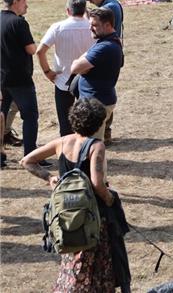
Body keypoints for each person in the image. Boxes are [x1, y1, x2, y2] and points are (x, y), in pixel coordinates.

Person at [21, 97, 129, 293]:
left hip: (68, 213)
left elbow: (27, 161)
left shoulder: (62, 142)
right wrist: (110, 199)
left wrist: (50, 178)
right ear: (98, 122)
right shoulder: (96, 146)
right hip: (92, 214)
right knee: (92, 264)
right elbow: (97, 183)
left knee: (73, 259)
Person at [36, 0, 93, 136]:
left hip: (63, 81)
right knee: (88, 121)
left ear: (68, 10)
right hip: (87, 79)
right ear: (85, 9)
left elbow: (40, 51)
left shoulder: (58, 27)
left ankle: (67, 154)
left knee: (65, 123)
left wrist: (47, 71)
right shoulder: (93, 26)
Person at [71, 8, 123, 144]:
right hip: (94, 102)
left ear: (107, 25)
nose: (90, 28)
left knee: (91, 145)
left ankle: (93, 165)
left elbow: (75, 68)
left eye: (94, 25)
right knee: (87, 143)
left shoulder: (105, 47)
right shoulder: (105, 42)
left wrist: (82, 64)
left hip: (97, 105)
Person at [1, 0, 40, 156]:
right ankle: (31, 155)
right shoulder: (19, 23)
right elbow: (31, 49)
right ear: (15, 2)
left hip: (2, 77)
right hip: (20, 79)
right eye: (24, 2)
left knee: (1, 116)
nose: (27, 5)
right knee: (30, 116)